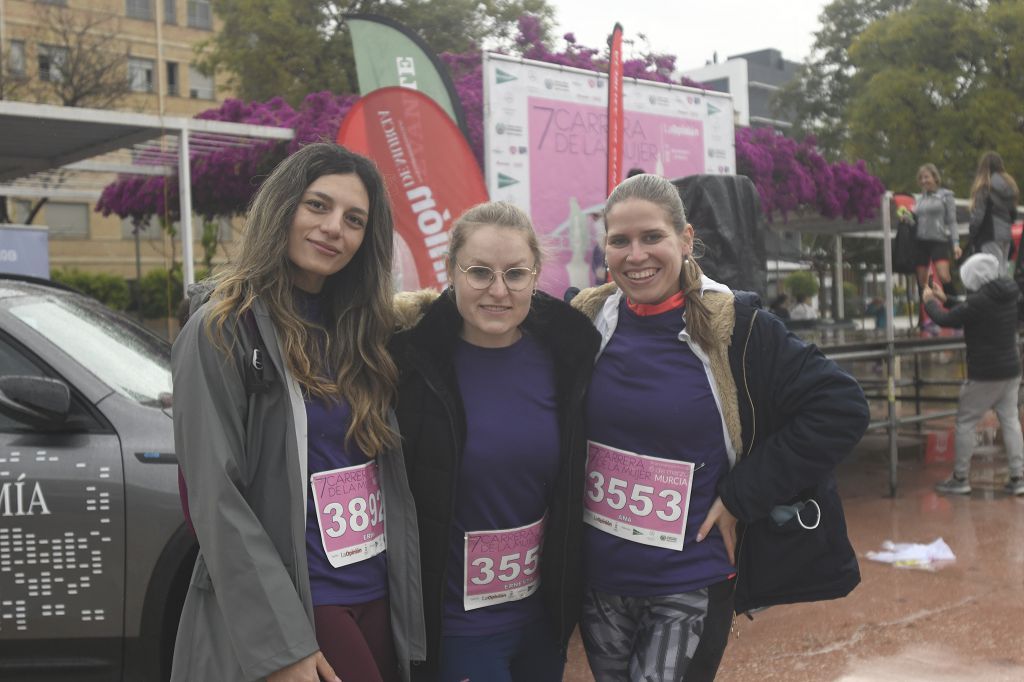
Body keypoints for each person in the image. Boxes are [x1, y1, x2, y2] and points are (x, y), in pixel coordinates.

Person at [571, 173, 869, 681]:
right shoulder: (585, 320)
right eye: (620, 241)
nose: (636, 254)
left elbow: (841, 406)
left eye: (652, 237)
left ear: (686, 239)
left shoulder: (738, 326)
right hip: (600, 583)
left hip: (689, 581)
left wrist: (740, 496)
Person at [171, 143, 425, 682]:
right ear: (282, 206)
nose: (335, 228)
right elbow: (215, 500)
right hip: (305, 601)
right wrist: (281, 644)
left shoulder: (363, 331)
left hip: (379, 594)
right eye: (318, 206)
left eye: (354, 220)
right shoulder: (222, 330)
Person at [390, 202, 599, 682]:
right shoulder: (408, 365)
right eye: (479, 272)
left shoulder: (569, 356)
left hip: (540, 621)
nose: (498, 290)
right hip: (457, 628)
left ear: (536, 275)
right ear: (451, 272)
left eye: (515, 273)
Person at [923, 253, 1024, 496]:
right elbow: (970, 307)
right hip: (1011, 371)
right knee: (1010, 421)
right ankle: (1018, 476)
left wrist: (929, 302)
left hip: (985, 373)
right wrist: (944, 297)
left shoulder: (979, 302)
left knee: (966, 422)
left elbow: (946, 319)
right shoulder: (1008, 293)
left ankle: (960, 478)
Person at [900, 163, 961, 297]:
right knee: (922, 282)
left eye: (926, 177)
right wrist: (906, 218)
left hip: (938, 240)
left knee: (944, 276)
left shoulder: (946, 196)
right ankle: (928, 313)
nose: (923, 181)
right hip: (920, 242)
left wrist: (956, 244)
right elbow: (915, 221)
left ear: (935, 178)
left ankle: (956, 307)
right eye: (921, 178)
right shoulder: (919, 199)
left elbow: (952, 221)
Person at [968, 151, 1020, 270]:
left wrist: (972, 234)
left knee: (991, 272)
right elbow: (1013, 214)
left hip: (989, 234)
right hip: (1006, 236)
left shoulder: (985, 186)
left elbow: (978, 216)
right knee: (1002, 270)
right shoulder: (1010, 187)